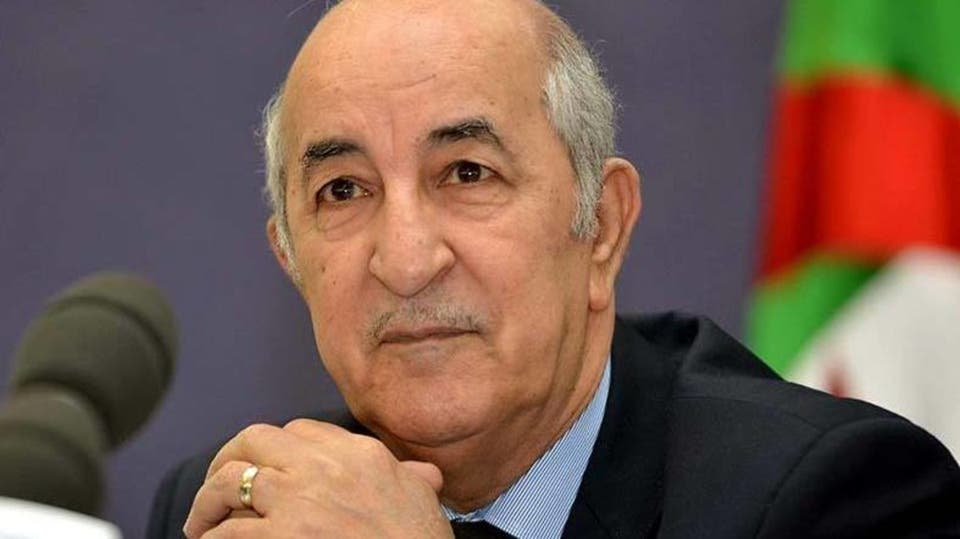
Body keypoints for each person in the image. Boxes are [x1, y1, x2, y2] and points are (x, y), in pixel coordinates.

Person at [148, 0, 960, 537]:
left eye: (467, 173)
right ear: (291, 259)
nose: (405, 259)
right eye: (344, 190)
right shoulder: (238, 502)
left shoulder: (832, 498)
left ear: (600, 227)